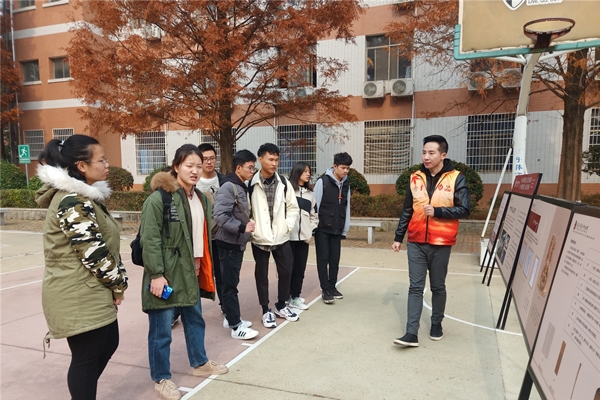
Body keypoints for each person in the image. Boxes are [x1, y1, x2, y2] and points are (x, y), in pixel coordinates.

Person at [35, 134, 128, 400]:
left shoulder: (84, 197)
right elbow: (94, 254)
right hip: (77, 293)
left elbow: (105, 246)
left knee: (107, 345)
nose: (107, 165)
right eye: (102, 160)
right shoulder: (72, 201)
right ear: (82, 165)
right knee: (86, 358)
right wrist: (118, 285)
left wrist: (117, 283)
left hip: (90, 289)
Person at [140, 144, 227, 400]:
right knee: (161, 330)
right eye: (189, 165)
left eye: (199, 166)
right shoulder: (159, 199)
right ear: (176, 166)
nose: (195, 170)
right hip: (167, 275)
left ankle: (200, 362)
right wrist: (156, 274)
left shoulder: (200, 198)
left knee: (195, 320)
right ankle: (161, 378)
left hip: (192, 271)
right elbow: (150, 239)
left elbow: (205, 233)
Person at [392, 135, 470, 347]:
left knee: (438, 286)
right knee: (415, 287)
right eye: (424, 152)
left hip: (441, 242)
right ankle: (411, 333)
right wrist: (398, 237)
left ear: (443, 155)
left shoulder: (457, 178)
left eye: (431, 153)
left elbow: (465, 209)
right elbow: (407, 210)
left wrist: (438, 211)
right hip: (416, 241)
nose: (426, 157)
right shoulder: (415, 177)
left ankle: (436, 323)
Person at [249, 143, 300, 328]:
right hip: (260, 237)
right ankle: (265, 309)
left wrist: (287, 226)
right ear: (260, 159)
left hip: (281, 236)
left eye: (277, 160)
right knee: (261, 275)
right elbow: (246, 209)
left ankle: (281, 305)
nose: (274, 163)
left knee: (286, 271)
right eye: (270, 159)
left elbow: (293, 207)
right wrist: (253, 229)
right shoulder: (250, 183)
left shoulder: (284, 183)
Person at [213, 150, 259, 340]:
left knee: (229, 283)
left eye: (253, 168)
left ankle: (231, 318)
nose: (252, 171)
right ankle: (235, 326)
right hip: (228, 243)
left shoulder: (240, 186)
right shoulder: (229, 187)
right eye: (250, 168)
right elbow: (220, 215)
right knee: (230, 286)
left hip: (234, 243)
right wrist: (241, 227)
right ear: (238, 168)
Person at [313, 152, 353, 304]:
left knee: (335, 259)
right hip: (322, 228)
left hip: (337, 227)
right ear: (335, 166)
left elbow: (347, 207)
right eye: (343, 168)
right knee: (323, 259)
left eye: (348, 168)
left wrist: (345, 228)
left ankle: (332, 286)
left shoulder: (346, 185)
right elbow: (315, 206)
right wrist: (314, 227)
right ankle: (325, 289)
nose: (345, 171)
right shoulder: (322, 182)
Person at [287, 162, 319, 310]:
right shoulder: (287, 192)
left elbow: (314, 216)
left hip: (303, 239)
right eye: (305, 171)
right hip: (288, 238)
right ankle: (285, 296)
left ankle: (295, 296)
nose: (308, 174)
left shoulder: (310, 195)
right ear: (297, 172)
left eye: (309, 171)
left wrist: (309, 230)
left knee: (300, 270)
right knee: (288, 270)